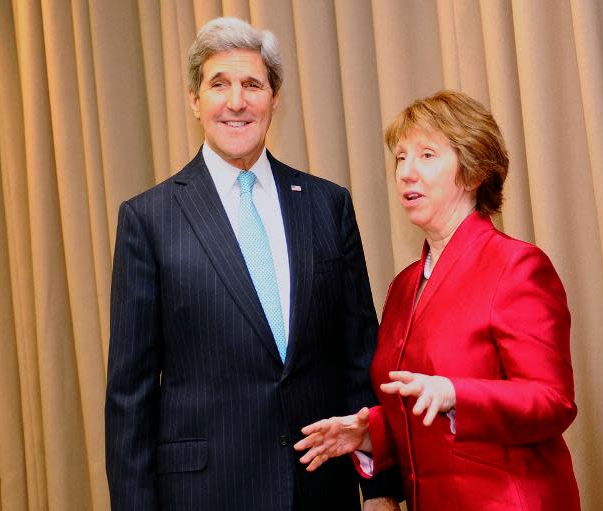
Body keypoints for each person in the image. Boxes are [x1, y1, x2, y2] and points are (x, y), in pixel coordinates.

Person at [105, 17, 400, 511]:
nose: (236, 102)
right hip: (205, 494)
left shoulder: (328, 205)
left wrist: (380, 488)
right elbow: (129, 396)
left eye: (252, 85)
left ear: (274, 97)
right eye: (218, 84)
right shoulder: (148, 220)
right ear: (195, 100)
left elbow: (356, 354)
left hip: (321, 490)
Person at [295, 90, 581, 510]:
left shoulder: (517, 266)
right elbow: (419, 416)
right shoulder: (403, 287)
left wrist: (457, 394)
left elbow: (553, 402)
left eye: (427, 155)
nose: (407, 172)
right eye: (401, 158)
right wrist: (370, 433)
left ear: (473, 171)